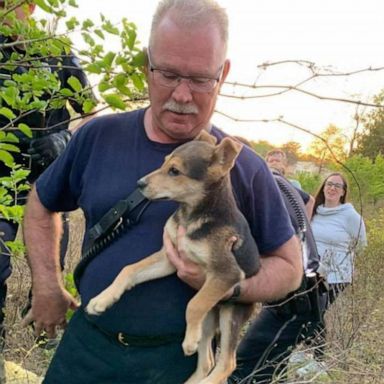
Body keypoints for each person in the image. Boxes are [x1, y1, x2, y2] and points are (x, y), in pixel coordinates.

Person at [22, 1, 303, 383]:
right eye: (168, 74)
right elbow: (41, 203)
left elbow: (289, 269)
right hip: (87, 348)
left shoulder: (244, 168)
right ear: (147, 65)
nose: (183, 95)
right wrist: (47, 286)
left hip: (177, 363)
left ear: (222, 74)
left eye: (201, 78)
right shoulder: (97, 136)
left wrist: (229, 286)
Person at [0, 0, 94, 356]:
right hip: (2, 185)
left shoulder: (55, 51)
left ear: (33, 7)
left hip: (48, 185)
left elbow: (91, 112)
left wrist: (64, 139)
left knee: (51, 274)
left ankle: (44, 343)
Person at [312, 172, 367, 306]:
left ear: (343, 192)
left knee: (316, 313)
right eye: (329, 184)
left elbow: (361, 245)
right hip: (313, 272)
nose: (332, 188)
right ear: (324, 187)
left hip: (336, 275)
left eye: (337, 186)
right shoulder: (314, 210)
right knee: (309, 316)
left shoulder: (350, 216)